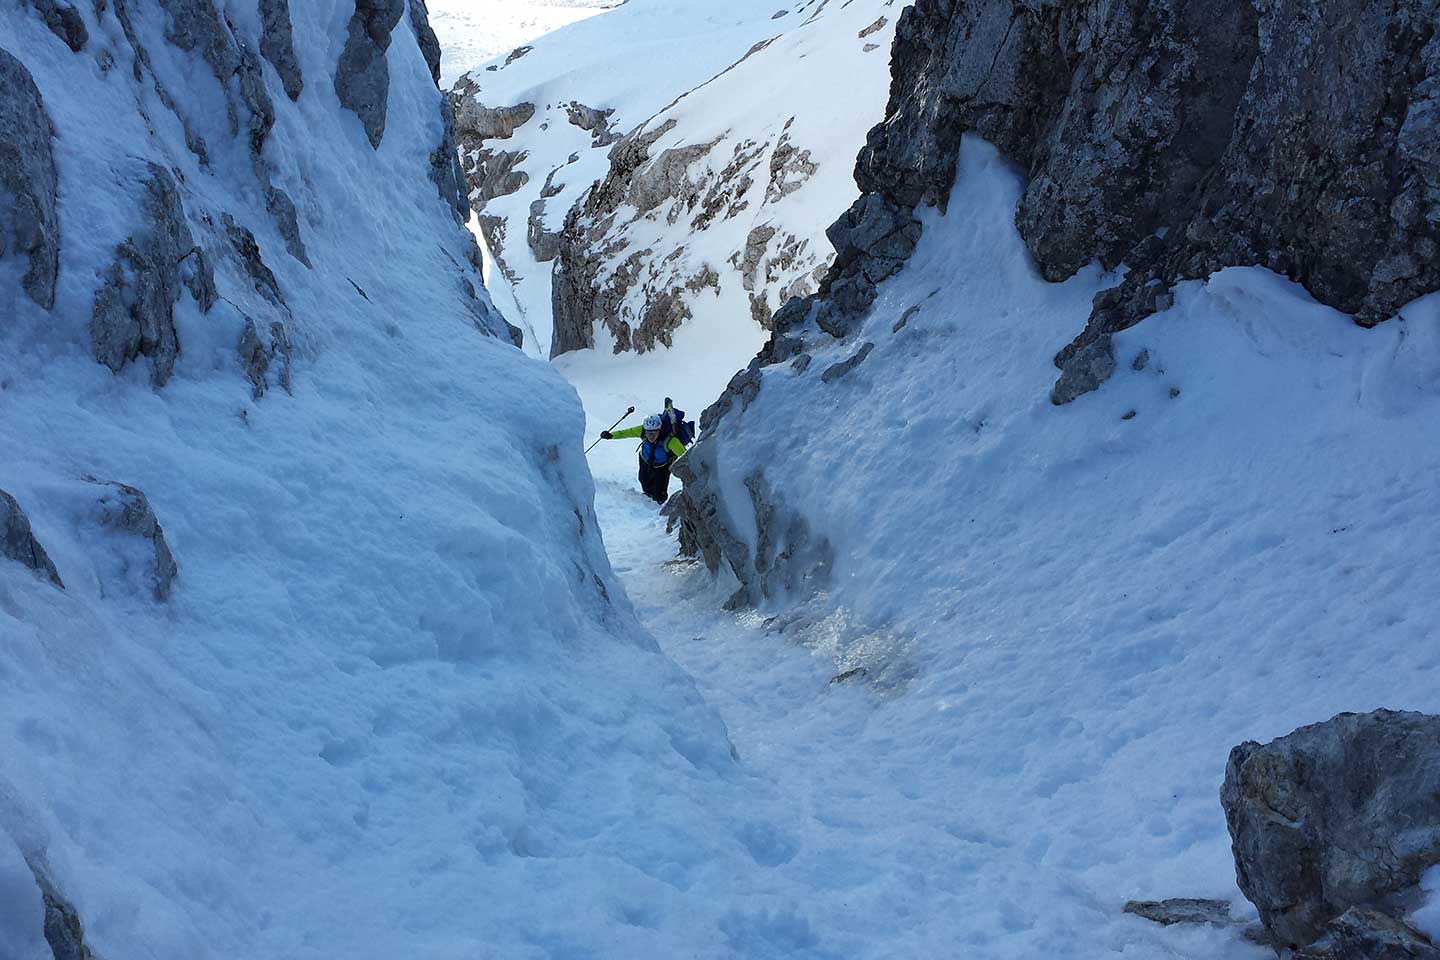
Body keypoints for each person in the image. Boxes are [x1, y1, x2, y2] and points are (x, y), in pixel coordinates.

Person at [600, 411, 689, 503]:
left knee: (659, 491)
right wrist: (610, 435)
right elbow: (626, 433)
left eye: (654, 432)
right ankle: (648, 498)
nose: (650, 436)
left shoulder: (670, 440)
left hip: (663, 466)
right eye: (648, 432)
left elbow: (685, 456)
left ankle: (658, 504)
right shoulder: (641, 430)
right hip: (645, 460)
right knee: (643, 480)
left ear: (659, 429)